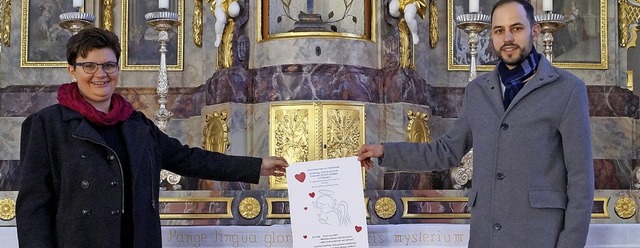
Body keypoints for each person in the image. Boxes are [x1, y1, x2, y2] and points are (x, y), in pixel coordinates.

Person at [16, 27, 289, 247]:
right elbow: (33, 208)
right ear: (72, 70)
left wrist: (256, 166)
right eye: (89, 66)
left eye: (109, 65)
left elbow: (188, 159)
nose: (101, 74)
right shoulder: (46, 125)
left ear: (118, 69)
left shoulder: (135, 124)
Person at [357, 0, 594, 247]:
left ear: (534, 31)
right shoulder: (478, 91)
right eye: (499, 30)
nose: (508, 37)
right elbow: (446, 150)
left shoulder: (567, 89)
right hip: (486, 237)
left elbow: (580, 179)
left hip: (539, 236)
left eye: (517, 28)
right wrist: (384, 151)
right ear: (492, 36)